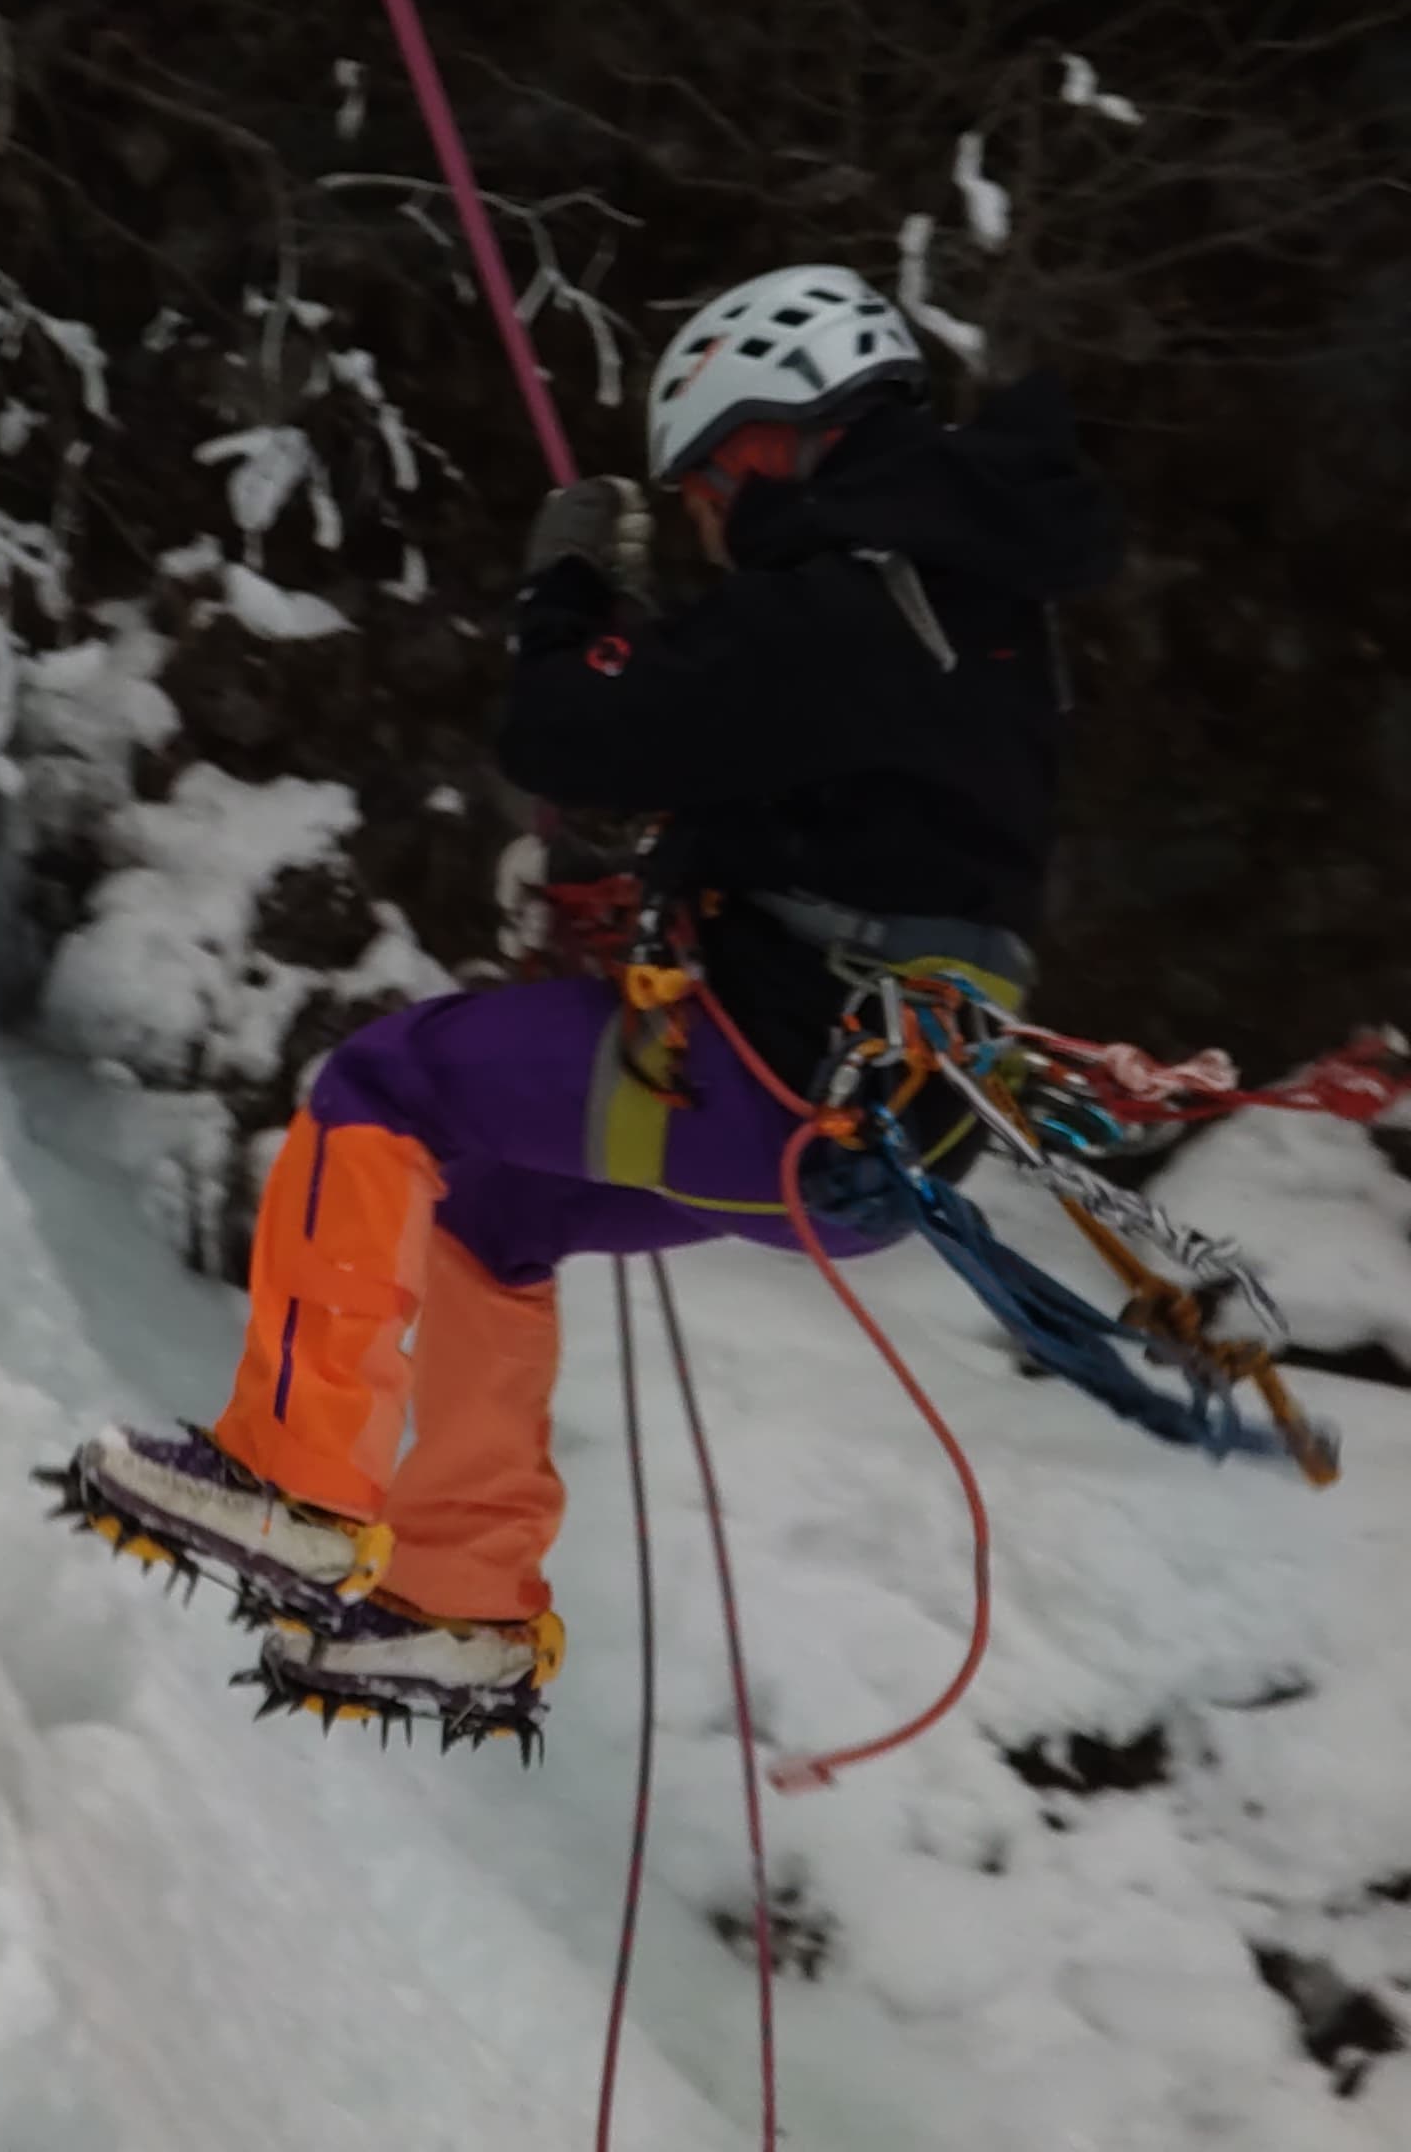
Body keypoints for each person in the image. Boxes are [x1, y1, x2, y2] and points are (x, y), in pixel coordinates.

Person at [56, 263, 1126, 1742]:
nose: (701, 513)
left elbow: (572, 728)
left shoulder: (868, 586)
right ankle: (459, 1605)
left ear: (771, 433)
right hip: (876, 1133)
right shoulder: (972, 597)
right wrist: (649, 877)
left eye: (703, 479)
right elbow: (817, 802)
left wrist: (568, 598)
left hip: (783, 1083)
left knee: (381, 1086)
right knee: (489, 1211)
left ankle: (292, 1477)